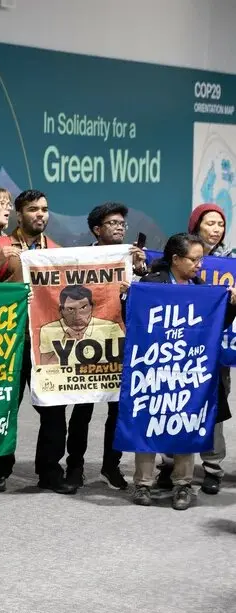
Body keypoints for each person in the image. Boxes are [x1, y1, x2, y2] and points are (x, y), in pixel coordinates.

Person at [0, 189, 77, 494]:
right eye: (33, 209)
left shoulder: (57, 252)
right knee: (2, 407)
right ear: (18, 214)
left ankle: (49, 472)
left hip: (45, 344)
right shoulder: (0, 246)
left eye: (45, 209)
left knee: (54, 410)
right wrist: (2, 264)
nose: (40, 214)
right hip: (8, 342)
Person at [129, 233, 236, 510]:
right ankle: (143, 484)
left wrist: (232, 306)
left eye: (201, 258)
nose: (200, 264)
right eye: (194, 259)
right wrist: (125, 297)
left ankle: (183, 485)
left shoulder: (201, 288)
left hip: (186, 370)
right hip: (154, 366)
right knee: (149, 421)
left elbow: (215, 327)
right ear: (175, 259)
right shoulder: (151, 284)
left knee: (185, 421)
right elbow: (134, 320)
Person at [64, 202, 145, 491]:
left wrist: (140, 270)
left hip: (121, 342)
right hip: (87, 343)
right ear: (97, 229)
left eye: (122, 222)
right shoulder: (80, 257)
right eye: (112, 223)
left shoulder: (133, 258)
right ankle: (74, 467)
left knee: (117, 410)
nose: (119, 226)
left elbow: (148, 299)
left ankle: (111, 466)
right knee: (82, 410)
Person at [157, 203, 235, 493]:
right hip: (177, 351)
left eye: (220, 224)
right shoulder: (176, 256)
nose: (216, 229)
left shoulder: (233, 261)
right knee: (171, 402)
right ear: (196, 226)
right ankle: (169, 464)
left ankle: (212, 467)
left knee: (213, 404)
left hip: (217, 351)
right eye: (210, 223)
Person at [38, 285, 125, 366]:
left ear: (92, 307)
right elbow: (46, 368)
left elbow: (119, 364)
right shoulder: (47, 330)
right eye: (70, 309)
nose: (77, 316)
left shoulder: (111, 328)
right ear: (61, 310)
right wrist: (66, 339)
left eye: (83, 308)